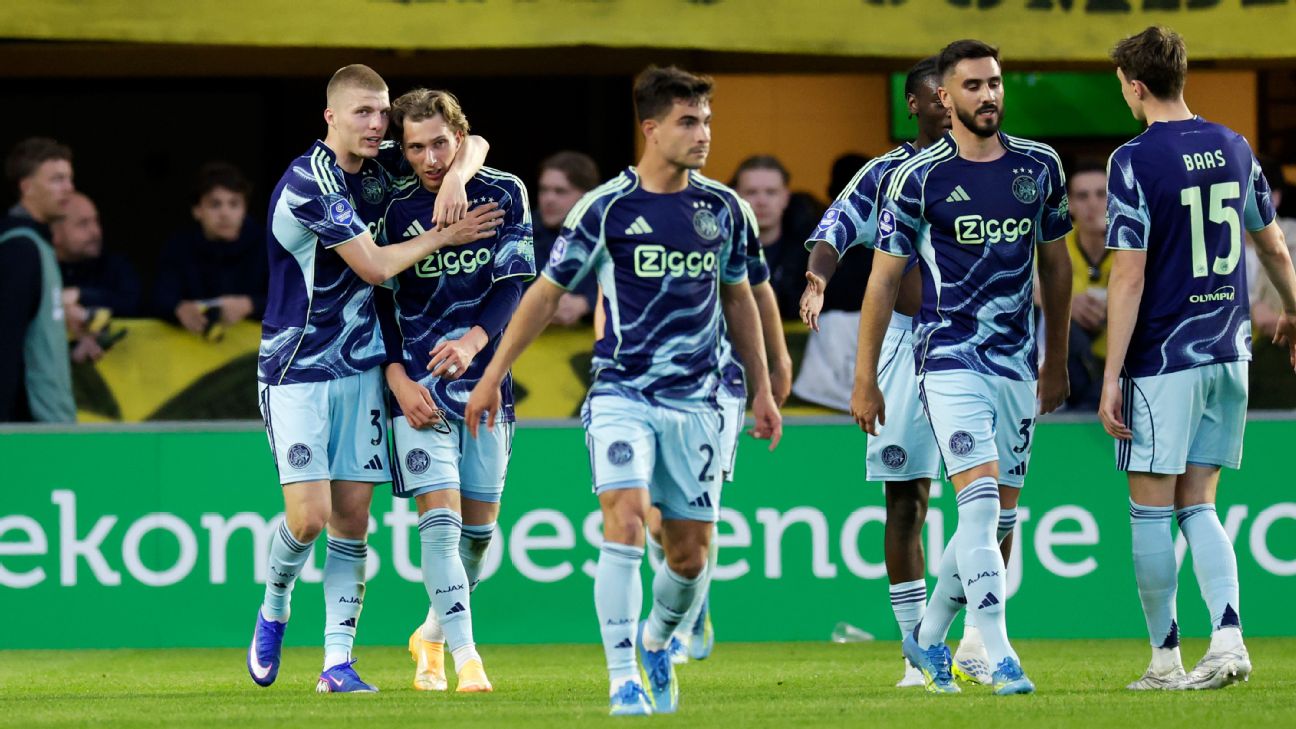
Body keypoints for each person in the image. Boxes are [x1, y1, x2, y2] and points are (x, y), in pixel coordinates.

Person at [463, 66, 781, 716]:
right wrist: (491, 376)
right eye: (689, 122)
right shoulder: (606, 207)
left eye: (707, 121)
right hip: (621, 393)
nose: (703, 133)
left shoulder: (725, 209)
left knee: (689, 558)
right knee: (627, 520)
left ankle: (657, 638)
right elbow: (544, 295)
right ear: (652, 128)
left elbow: (740, 296)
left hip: (698, 402)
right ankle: (621, 678)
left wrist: (763, 388)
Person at [246, 63, 500, 694]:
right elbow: (376, 267)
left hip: (361, 368)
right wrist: (446, 233)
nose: (377, 123)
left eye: (382, 111)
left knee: (352, 520)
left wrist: (455, 178)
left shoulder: (382, 162)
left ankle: (337, 663)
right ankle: (275, 603)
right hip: (297, 368)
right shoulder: (312, 181)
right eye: (363, 111)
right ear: (330, 116)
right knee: (309, 518)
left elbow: (472, 142)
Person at [853, 39, 1073, 696]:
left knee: (999, 517)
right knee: (975, 502)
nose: (989, 95)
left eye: (995, 83)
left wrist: (1057, 358)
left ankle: (927, 637)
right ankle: (999, 653)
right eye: (973, 85)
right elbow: (882, 282)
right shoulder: (917, 178)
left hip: (1016, 362)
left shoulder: (1040, 165)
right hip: (948, 359)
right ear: (945, 98)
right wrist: (865, 378)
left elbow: (1056, 264)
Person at [1098, 26, 1296, 691]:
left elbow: (1128, 274)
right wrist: (1294, 309)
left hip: (1163, 358)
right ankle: (1229, 639)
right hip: (1229, 353)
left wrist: (1110, 375)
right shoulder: (1235, 145)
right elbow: (1273, 245)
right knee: (1200, 506)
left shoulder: (1133, 158)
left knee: (1151, 509)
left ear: (1135, 86)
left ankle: (1165, 662)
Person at [800, 55, 959, 689]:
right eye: (937, 94)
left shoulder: (1003, 166)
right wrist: (817, 278)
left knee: (991, 504)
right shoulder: (885, 173)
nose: (949, 103)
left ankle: (975, 641)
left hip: (980, 343)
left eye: (959, 91)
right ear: (913, 104)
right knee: (906, 501)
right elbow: (835, 230)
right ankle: (916, 654)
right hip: (904, 346)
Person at [377, 88, 535, 694]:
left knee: (479, 537)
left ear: (460, 137)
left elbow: (513, 286)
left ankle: (431, 634)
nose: (429, 158)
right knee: (440, 527)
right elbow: (379, 302)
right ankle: (467, 659)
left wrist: (473, 343)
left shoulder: (504, 192)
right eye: (415, 147)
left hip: (486, 386)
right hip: (418, 392)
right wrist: (396, 377)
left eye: (440, 144)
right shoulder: (391, 208)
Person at [0, 137, 77, 423]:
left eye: (69, 178)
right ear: (27, 187)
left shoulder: (38, 246)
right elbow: (6, 343)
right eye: (57, 179)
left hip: (45, 424)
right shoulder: (20, 249)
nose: (68, 188)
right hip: (27, 429)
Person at [154, 163, 268, 335]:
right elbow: (157, 296)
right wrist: (178, 308)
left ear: (244, 209)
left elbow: (298, 300)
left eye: (234, 204)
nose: (225, 213)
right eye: (215, 204)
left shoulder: (269, 246)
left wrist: (251, 304)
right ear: (197, 210)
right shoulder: (179, 247)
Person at [51, 192, 142, 364]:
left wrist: (80, 295)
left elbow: (133, 303)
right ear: (55, 233)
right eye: (83, 224)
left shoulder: (115, 265)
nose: (96, 232)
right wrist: (61, 310)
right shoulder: (38, 270)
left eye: (96, 221)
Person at [733, 155, 821, 318]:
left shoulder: (812, 250)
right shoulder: (716, 247)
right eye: (751, 192)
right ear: (736, 197)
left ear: (786, 198)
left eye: (771, 192)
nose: (762, 201)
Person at [1063, 159, 1111, 411]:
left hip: (1121, 362)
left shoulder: (1133, 241)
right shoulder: (1055, 242)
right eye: (1083, 196)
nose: (1093, 204)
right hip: (1071, 361)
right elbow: (1026, 289)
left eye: (1101, 194)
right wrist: (1067, 304)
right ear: (1069, 204)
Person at [534, 151, 600, 325]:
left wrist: (586, 304)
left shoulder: (608, 234)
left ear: (587, 196)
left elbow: (635, 290)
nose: (548, 199)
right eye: (543, 190)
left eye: (560, 191)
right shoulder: (520, 233)